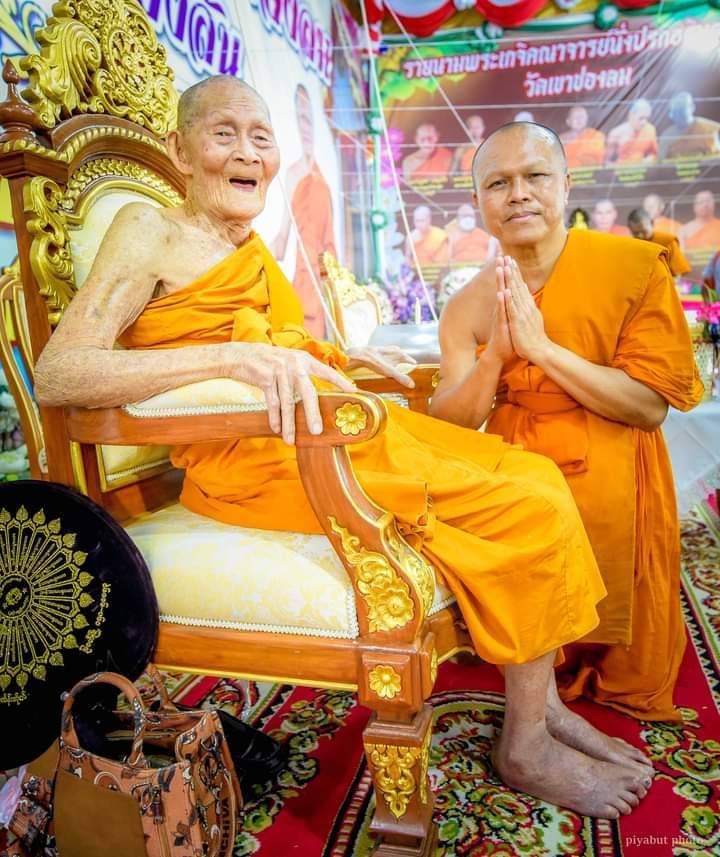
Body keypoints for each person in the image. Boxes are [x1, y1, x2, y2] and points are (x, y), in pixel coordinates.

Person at [33, 76, 653, 820]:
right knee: (519, 502)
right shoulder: (150, 228)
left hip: (309, 430)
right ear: (180, 151)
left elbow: (277, 345)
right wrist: (232, 360)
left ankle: (542, 704)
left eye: (261, 138)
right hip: (250, 459)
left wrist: (339, 359)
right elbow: (61, 372)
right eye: (224, 134)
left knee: (532, 471)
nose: (247, 153)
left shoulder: (244, 245)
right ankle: (524, 746)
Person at [432, 119, 703, 726]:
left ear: (566, 184)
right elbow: (450, 421)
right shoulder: (467, 304)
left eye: (535, 176)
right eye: (498, 183)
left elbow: (648, 407)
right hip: (518, 471)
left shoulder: (632, 268)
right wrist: (496, 359)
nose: (519, 194)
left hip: (613, 459)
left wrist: (544, 351)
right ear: (477, 201)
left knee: (619, 636)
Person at [270, 83, 335, 338]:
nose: (305, 127)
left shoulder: (323, 176)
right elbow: (282, 237)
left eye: (309, 119)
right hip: (303, 276)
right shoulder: (293, 173)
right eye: (300, 119)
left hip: (327, 276)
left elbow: (330, 237)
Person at [627, 209, 691, 276]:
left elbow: (679, 271)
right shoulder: (631, 246)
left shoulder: (667, 241)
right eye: (635, 233)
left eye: (644, 231)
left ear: (651, 223)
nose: (640, 236)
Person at [658, 92, 720, 161]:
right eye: (675, 111)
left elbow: (717, 158)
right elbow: (661, 161)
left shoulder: (707, 128)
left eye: (681, 110)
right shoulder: (667, 135)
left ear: (692, 108)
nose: (678, 114)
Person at [606, 99, 658, 164]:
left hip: (642, 167)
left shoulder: (650, 129)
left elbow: (655, 154)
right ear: (631, 116)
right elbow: (607, 161)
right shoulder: (616, 133)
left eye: (646, 118)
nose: (644, 122)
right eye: (641, 118)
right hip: (621, 168)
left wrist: (649, 159)